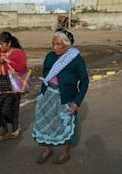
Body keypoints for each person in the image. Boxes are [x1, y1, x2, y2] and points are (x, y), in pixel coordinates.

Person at [32, 29, 89, 164]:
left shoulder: (76, 60)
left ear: (68, 45)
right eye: (53, 44)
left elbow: (85, 81)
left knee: (67, 125)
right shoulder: (50, 57)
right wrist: (42, 94)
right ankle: (47, 150)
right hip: (49, 95)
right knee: (44, 122)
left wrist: (77, 102)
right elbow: (46, 77)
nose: (55, 47)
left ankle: (65, 152)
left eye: (58, 44)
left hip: (67, 98)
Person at [0, 32, 28, 141]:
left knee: (8, 109)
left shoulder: (18, 53)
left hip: (12, 83)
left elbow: (23, 69)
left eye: (2, 44)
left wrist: (8, 61)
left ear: (9, 43)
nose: (0, 47)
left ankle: (15, 127)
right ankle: (5, 130)